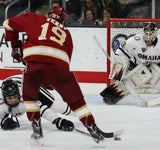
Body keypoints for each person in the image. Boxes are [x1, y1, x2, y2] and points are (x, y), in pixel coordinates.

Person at [3, 6, 105, 143]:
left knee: (29, 96)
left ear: (48, 15)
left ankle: (36, 127)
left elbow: (8, 24)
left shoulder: (37, 19)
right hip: (59, 68)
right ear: (63, 20)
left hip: (34, 64)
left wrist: (16, 47)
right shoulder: (67, 34)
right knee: (76, 101)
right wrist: (50, 80)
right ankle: (92, 127)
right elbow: (65, 61)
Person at [100, 22, 160, 105]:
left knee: (154, 72)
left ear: (156, 33)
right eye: (146, 34)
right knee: (128, 73)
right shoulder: (134, 41)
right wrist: (121, 66)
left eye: (151, 34)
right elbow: (120, 54)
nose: (149, 37)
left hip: (156, 67)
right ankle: (110, 95)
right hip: (138, 66)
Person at [0, 75, 74, 131]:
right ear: (4, 98)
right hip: (15, 84)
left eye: (15, 97)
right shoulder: (1, 104)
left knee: (55, 106)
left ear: (19, 95)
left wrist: (58, 121)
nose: (13, 100)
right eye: (10, 98)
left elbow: (41, 109)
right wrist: (3, 120)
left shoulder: (25, 97)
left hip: (28, 84)